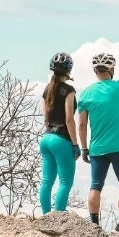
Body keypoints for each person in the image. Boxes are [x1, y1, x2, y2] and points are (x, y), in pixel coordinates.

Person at [76, 51, 119, 237]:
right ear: (112, 69)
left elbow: (81, 124)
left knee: (95, 185)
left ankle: (94, 225)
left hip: (97, 148)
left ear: (94, 70)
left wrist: (84, 148)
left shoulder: (86, 93)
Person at [38, 52, 79, 213]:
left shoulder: (47, 89)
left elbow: (45, 118)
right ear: (69, 70)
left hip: (46, 138)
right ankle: (57, 218)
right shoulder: (69, 90)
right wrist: (75, 144)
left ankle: (45, 217)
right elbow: (69, 119)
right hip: (61, 139)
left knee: (46, 181)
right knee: (65, 182)